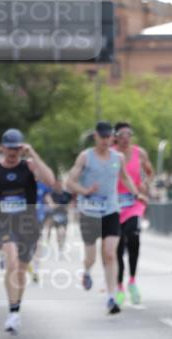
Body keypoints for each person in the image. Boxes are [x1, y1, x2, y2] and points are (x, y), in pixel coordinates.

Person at [0, 128, 55, 333]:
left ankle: (16, 308)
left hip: (28, 223)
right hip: (4, 222)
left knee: (21, 269)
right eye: (9, 148)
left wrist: (33, 153)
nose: (13, 152)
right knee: (11, 260)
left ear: (21, 148)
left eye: (17, 148)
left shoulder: (30, 166)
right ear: (2, 148)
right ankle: (12, 311)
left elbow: (50, 180)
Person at [66, 121, 144, 315]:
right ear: (95, 137)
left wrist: (136, 194)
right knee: (91, 256)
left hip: (110, 210)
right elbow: (69, 182)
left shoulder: (117, 157)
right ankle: (86, 271)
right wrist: (85, 191)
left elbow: (124, 178)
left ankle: (111, 296)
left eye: (109, 137)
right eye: (102, 137)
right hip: (89, 212)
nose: (106, 141)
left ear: (112, 138)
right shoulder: (85, 157)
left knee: (110, 253)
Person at [112, 122, 154, 306]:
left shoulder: (140, 153)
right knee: (118, 248)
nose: (125, 137)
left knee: (134, 237)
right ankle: (119, 286)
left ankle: (133, 281)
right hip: (114, 205)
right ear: (115, 136)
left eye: (129, 133)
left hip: (134, 203)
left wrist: (146, 183)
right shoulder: (110, 153)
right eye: (121, 134)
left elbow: (150, 172)